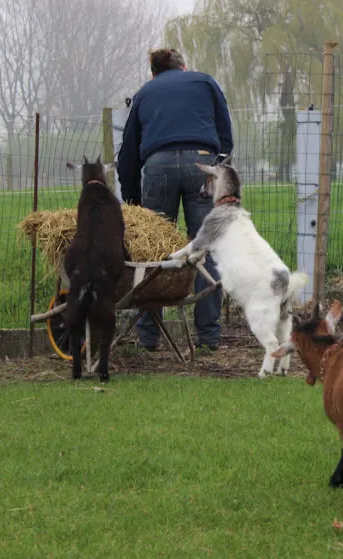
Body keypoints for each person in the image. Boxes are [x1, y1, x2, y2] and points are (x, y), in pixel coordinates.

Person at [117, 48, 233, 352]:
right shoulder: (205, 83)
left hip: (158, 166)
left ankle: (149, 337)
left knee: (153, 252)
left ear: (153, 73)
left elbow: (128, 154)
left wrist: (132, 201)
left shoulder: (144, 93)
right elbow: (225, 134)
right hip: (202, 163)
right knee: (204, 249)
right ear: (183, 67)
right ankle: (208, 336)